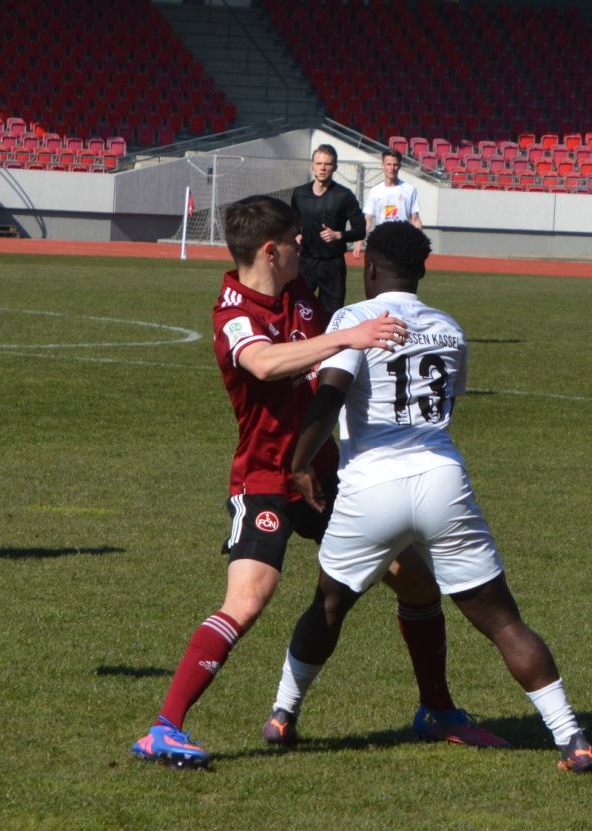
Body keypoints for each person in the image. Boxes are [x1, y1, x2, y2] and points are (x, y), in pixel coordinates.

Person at [130, 197, 505, 770]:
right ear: (270, 250)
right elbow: (263, 363)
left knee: (417, 586)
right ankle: (163, 728)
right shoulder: (233, 313)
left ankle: (437, 709)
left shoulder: (299, 292)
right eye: (294, 239)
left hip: (326, 476)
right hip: (265, 475)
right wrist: (347, 338)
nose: (303, 245)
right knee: (249, 598)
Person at [266, 221, 592, 774]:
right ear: (421, 269)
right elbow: (444, 405)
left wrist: (300, 464)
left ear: (371, 267)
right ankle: (573, 738)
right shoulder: (449, 327)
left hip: (371, 482)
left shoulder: (352, 318)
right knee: (502, 620)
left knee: (330, 603)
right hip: (442, 478)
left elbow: (329, 397)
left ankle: (283, 714)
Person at [290, 144, 366, 317]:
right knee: (298, 313)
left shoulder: (344, 196)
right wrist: (296, 234)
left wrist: (339, 235)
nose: (322, 168)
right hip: (305, 263)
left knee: (331, 317)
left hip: (332, 265)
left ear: (335, 167)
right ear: (312, 165)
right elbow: (291, 224)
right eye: (319, 163)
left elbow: (360, 230)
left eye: (328, 164)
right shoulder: (299, 194)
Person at [354, 148, 422, 259]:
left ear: (400, 166)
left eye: (395, 164)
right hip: (382, 241)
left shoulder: (410, 190)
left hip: (403, 241)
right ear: (383, 166)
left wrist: (419, 241)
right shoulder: (375, 191)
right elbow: (368, 219)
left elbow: (415, 219)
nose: (392, 168)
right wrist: (359, 243)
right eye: (389, 164)